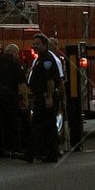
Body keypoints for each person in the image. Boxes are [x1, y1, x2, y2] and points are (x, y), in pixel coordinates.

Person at [26, 33, 61, 164]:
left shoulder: (47, 59)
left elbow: (50, 80)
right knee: (49, 126)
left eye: (38, 44)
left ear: (45, 45)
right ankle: (50, 153)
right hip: (42, 96)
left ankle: (31, 153)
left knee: (38, 125)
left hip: (45, 96)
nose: (34, 46)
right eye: (33, 44)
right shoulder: (40, 58)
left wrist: (49, 97)